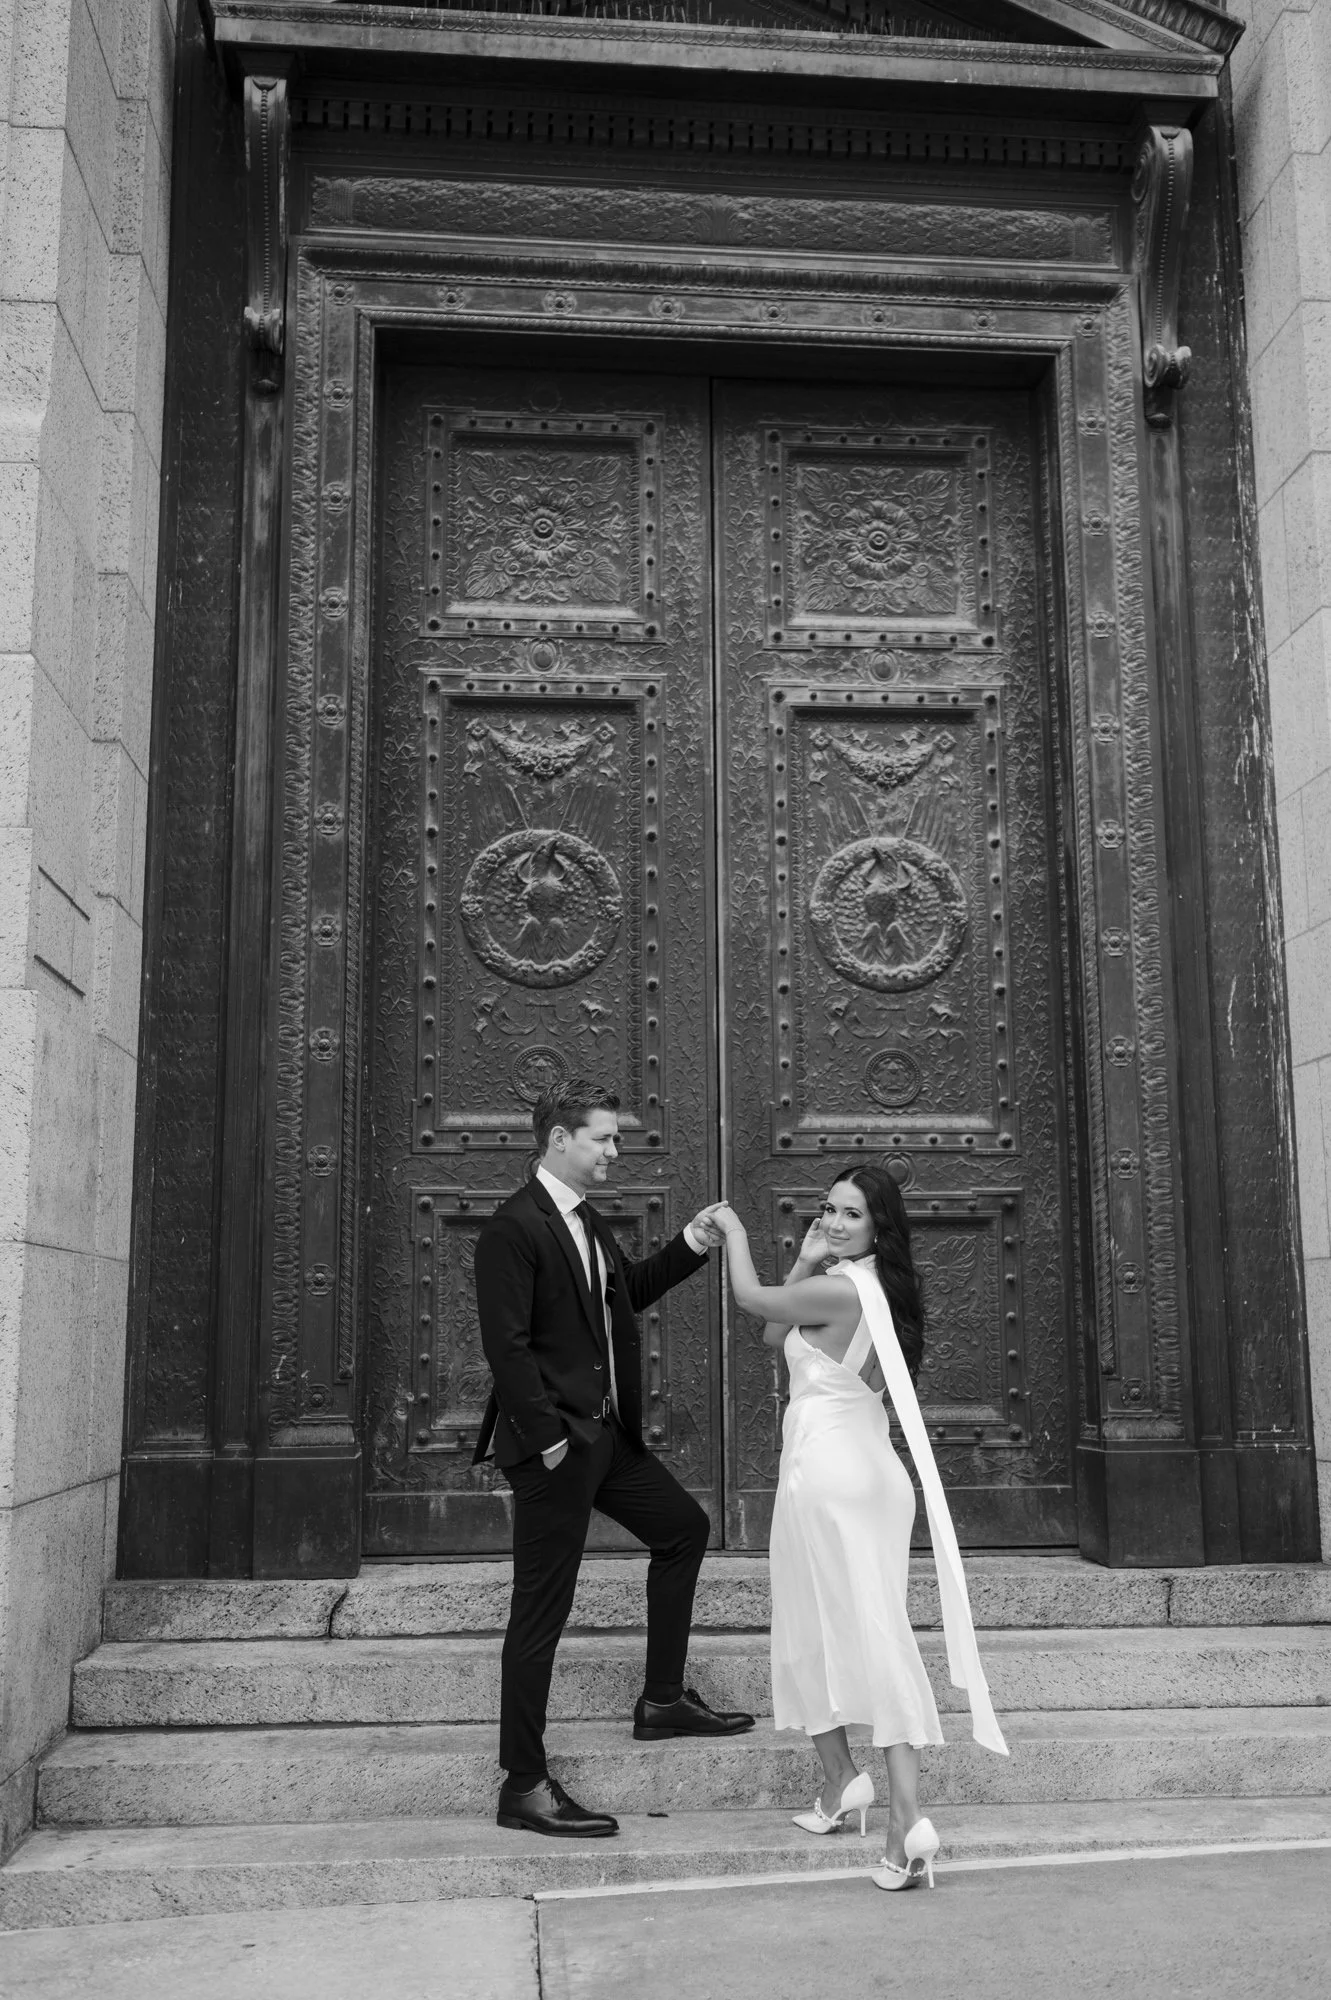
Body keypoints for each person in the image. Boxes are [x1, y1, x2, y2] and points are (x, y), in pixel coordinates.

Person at [711, 1165, 1008, 1890]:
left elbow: (751, 1302)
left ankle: (906, 1819)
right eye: (828, 1210)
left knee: (833, 1630)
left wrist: (735, 1231)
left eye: (850, 1214)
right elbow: (775, 1334)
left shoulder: (841, 1291)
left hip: (828, 1476)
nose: (833, 1223)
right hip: (871, 1474)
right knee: (859, 1628)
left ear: (879, 1226)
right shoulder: (875, 1288)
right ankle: (842, 1783)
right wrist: (807, 1256)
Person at [473, 1077, 754, 1839]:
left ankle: (662, 1701)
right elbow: (507, 1348)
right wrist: (550, 1440)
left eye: (615, 1139)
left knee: (682, 1529)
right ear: (558, 1139)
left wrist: (692, 1243)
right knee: (540, 1613)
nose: (613, 1151)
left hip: (605, 1439)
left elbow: (622, 1291)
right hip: (557, 1448)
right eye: (602, 1138)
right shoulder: (512, 1228)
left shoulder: (583, 1219)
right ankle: (523, 1785)